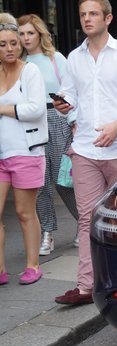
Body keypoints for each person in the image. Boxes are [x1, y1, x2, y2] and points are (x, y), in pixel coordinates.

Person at [52, 0, 117, 305]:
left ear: (107, 18)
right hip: (84, 149)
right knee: (87, 218)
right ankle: (86, 286)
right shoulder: (74, 57)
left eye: (93, 13)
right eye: (83, 14)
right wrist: (62, 103)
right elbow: (69, 93)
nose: (86, 19)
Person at [17, 13, 79, 256]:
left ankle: (83, 225)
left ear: (40, 34)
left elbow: (71, 92)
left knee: (63, 181)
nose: (25, 38)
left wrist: (74, 122)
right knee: (39, 184)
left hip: (57, 118)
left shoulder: (56, 58)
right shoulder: (17, 62)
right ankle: (48, 233)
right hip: (30, 123)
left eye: (30, 33)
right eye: (21, 33)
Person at [0, 13, 47, 285]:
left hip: (26, 151)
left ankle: (33, 265)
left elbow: (35, 109)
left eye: (13, 43)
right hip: (1, 153)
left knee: (23, 212)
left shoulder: (30, 71)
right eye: (3, 44)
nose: (9, 48)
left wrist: (3, 109)